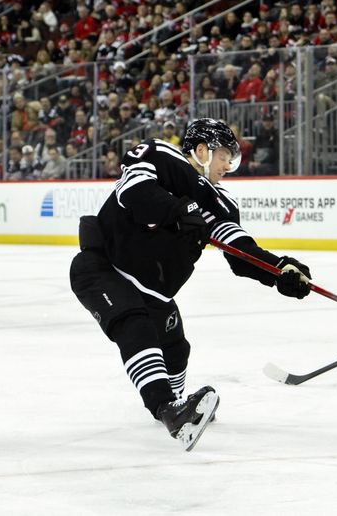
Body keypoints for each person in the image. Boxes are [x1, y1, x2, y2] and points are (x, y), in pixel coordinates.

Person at [69, 118, 313, 451]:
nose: (229, 165)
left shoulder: (221, 204)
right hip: (103, 269)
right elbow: (133, 192)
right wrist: (178, 208)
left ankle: (177, 403)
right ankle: (168, 410)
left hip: (155, 292)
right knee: (135, 326)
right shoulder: (159, 155)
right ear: (201, 150)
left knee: (176, 350)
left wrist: (279, 270)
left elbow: (241, 252)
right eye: (225, 155)